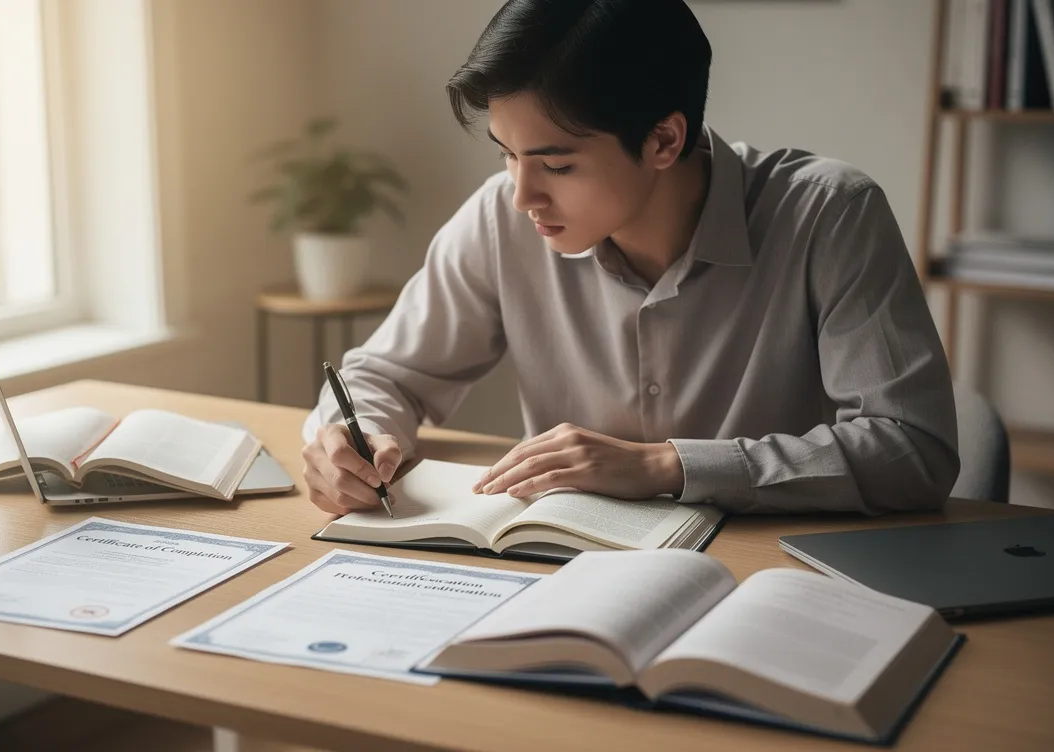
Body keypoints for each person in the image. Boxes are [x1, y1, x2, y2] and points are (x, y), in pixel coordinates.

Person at [301, 0, 959, 517]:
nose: (522, 195)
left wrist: (665, 465)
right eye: (505, 155)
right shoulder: (501, 219)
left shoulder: (828, 214)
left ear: (664, 139)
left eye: (555, 164)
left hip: (776, 581)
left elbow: (913, 449)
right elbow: (383, 376)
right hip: (572, 569)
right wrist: (347, 440)